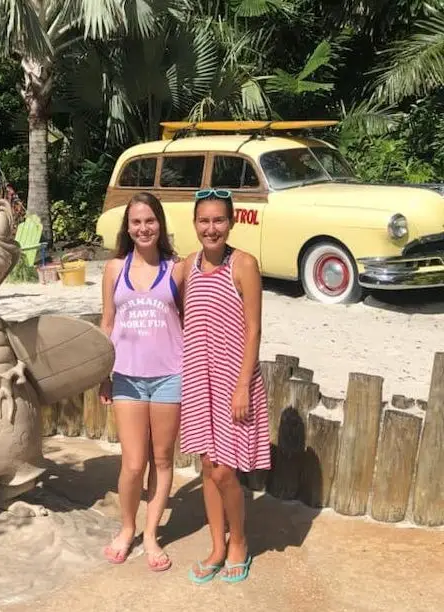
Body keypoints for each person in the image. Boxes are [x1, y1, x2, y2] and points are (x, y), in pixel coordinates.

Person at [179, 188, 271, 584]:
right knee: (207, 467)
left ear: (231, 223)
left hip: (234, 380)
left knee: (225, 472)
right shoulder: (188, 266)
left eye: (218, 220)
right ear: (195, 224)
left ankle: (240, 542)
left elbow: (253, 330)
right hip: (199, 380)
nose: (211, 228)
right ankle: (217, 544)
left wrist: (242, 386)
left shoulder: (244, 264)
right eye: (204, 220)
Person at [98, 192, 185, 572]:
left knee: (162, 460)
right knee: (133, 463)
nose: (143, 228)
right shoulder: (115, 268)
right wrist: (102, 374)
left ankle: (151, 534)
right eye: (136, 222)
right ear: (127, 228)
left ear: (160, 225)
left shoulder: (177, 269)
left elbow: (192, 321)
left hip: (170, 376)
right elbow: (106, 322)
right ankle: (128, 527)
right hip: (127, 378)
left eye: (150, 221)